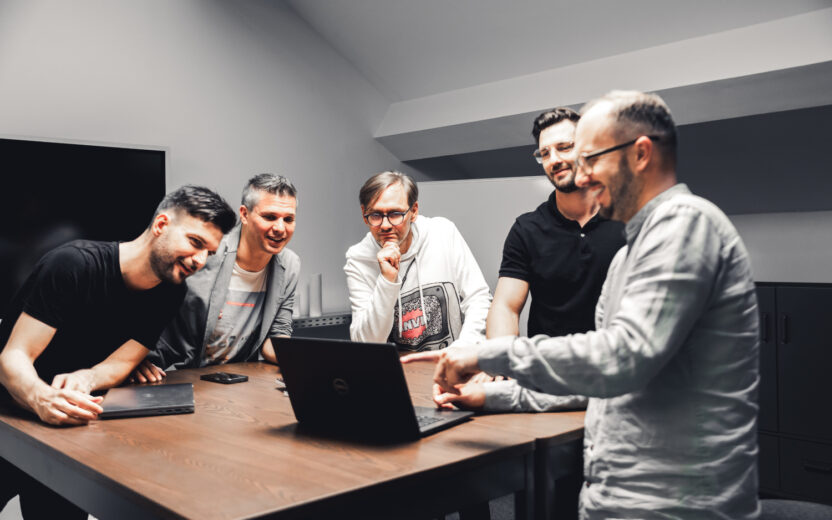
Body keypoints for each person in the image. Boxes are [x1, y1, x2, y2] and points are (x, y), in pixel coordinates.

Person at [405, 91, 760, 519]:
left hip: (674, 504)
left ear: (640, 154)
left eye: (591, 158)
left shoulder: (685, 223)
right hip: (617, 497)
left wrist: (485, 352)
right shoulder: (631, 252)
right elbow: (602, 385)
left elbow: (622, 357)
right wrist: (491, 396)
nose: (582, 173)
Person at [0, 185, 235, 519]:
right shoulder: (73, 264)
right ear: (161, 225)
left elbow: (124, 360)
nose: (200, 260)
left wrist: (87, 377)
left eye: (209, 252)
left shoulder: (171, 292)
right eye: (195, 243)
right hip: (9, 414)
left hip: (64, 429)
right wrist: (41, 397)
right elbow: (13, 356)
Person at [473, 107, 626, 408]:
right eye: (545, 153)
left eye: (565, 147)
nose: (554, 159)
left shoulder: (630, 219)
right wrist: (502, 361)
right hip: (549, 381)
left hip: (617, 379)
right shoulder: (527, 229)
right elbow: (506, 306)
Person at [133, 173, 300, 382]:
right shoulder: (207, 250)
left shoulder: (290, 265)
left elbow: (276, 334)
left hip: (234, 379)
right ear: (245, 215)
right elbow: (146, 300)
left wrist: (301, 359)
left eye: (289, 219)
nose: (280, 228)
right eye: (269, 217)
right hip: (170, 373)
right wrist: (131, 359)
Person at [344, 171, 491, 351]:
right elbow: (366, 343)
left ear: (413, 211)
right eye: (375, 215)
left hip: (450, 365)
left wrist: (462, 350)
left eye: (395, 214)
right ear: (363, 213)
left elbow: (478, 299)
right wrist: (387, 281)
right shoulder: (358, 259)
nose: (385, 225)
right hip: (395, 372)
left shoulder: (442, 233)